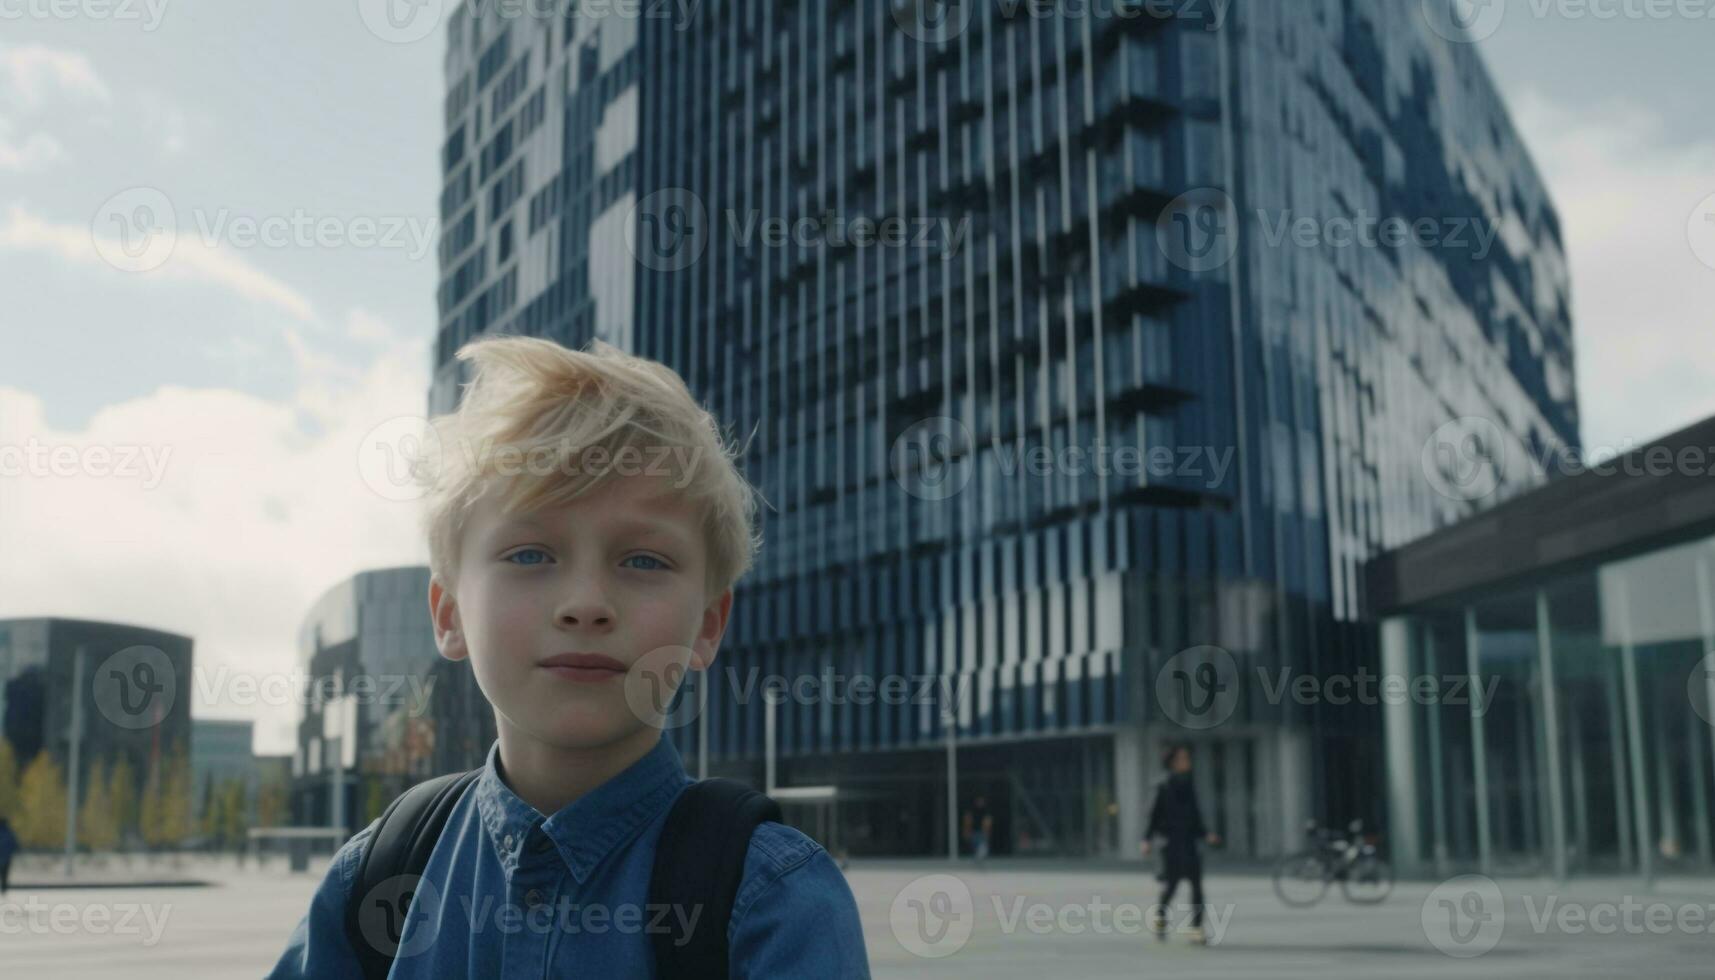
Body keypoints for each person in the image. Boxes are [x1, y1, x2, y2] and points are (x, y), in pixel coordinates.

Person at [267, 337, 869, 978]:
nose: (586, 604)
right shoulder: (377, 875)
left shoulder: (773, 899)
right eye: (530, 554)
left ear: (708, 625)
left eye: (643, 560)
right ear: (448, 616)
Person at [1139, 743, 1221, 945]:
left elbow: (1195, 814)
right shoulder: (1162, 785)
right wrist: (1146, 839)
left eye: (1187, 758)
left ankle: (1196, 928)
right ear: (1173, 762)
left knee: (1197, 886)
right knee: (1171, 886)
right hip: (1171, 843)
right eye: (1183, 758)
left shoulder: (1188, 783)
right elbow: (1153, 816)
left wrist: (1206, 833)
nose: (1187, 762)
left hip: (1189, 842)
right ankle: (1160, 916)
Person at [963, 795, 993, 864]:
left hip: (982, 832)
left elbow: (988, 822)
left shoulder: (986, 811)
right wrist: (966, 831)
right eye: (979, 801)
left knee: (982, 848)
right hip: (974, 832)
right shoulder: (971, 810)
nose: (980, 802)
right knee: (975, 848)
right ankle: (976, 859)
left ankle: (980, 858)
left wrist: (987, 832)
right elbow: (967, 821)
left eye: (981, 801)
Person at [0, 816, 17, 896]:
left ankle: (3, 889)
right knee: (4, 875)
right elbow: (14, 844)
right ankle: (4, 889)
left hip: (4, 857)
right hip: (7, 858)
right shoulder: (9, 832)